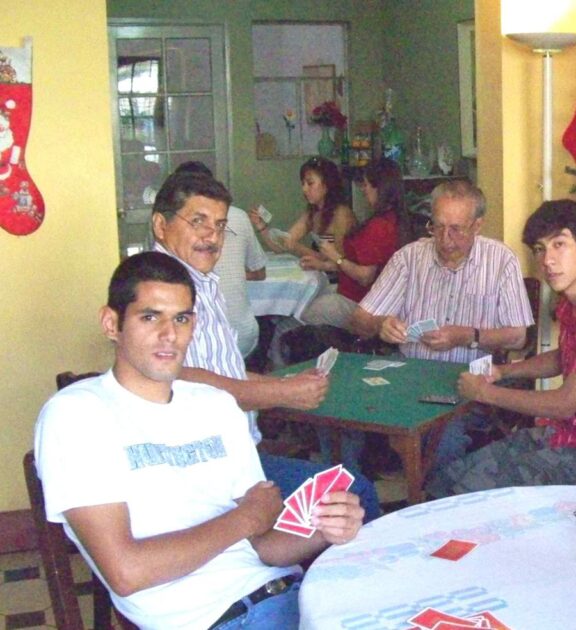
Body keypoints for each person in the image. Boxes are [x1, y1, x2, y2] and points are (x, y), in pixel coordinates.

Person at [34, 252, 365, 629]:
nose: (169, 335)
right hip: (219, 620)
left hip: (290, 595)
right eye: (149, 317)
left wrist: (325, 529)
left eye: (181, 318)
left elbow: (265, 546)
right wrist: (245, 518)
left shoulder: (215, 405)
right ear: (112, 323)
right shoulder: (77, 414)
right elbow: (126, 572)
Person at [149, 170, 380, 519]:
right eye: (198, 222)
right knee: (352, 494)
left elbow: (223, 372)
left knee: (342, 497)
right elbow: (183, 381)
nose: (212, 236)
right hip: (204, 468)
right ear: (160, 225)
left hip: (236, 456)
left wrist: (284, 383)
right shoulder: (157, 289)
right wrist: (282, 393)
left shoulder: (200, 282)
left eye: (220, 225)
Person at [426, 199, 576, 497]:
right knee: (451, 477)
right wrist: (503, 371)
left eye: (559, 244)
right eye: (540, 249)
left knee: (471, 491)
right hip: (572, 433)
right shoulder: (573, 301)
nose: (547, 260)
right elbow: (566, 357)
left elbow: (564, 403)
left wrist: (484, 392)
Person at [348, 179, 534, 468]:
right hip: (408, 375)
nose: (445, 239)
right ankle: (351, 489)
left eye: (456, 229)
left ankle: (433, 491)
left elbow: (517, 336)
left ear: (478, 225)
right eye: (437, 227)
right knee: (345, 409)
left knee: (443, 437)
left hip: (468, 381)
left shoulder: (500, 261)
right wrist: (380, 324)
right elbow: (359, 319)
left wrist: (468, 336)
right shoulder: (409, 258)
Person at [300, 158, 411, 332]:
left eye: (366, 184)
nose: (363, 189)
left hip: (361, 301)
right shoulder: (395, 219)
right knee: (311, 296)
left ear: (379, 188)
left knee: (305, 313)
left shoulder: (378, 226)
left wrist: (335, 257)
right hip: (355, 293)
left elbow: (365, 276)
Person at [175, 160, 268, 358]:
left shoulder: (174, 225)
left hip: (206, 343)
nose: (213, 236)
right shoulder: (239, 217)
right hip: (241, 335)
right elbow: (260, 272)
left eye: (220, 226)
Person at [250, 156, 354, 264]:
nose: (304, 189)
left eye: (310, 183)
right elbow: (282, 246)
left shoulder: (341, 214)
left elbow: (339, 261)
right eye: (303, 184)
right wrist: (262, 227)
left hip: (337, 273)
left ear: (327, 184)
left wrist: (297, 247)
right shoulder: (312, 212)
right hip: (321, 271)